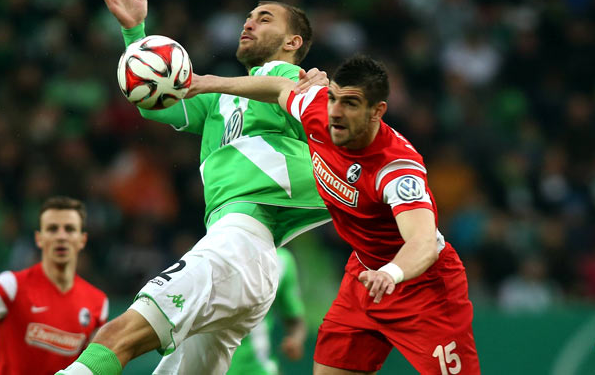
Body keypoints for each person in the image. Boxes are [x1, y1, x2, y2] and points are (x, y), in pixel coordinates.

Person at [59, 0, 330, 374]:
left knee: (117, 336)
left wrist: (317, 88)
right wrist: (135, 33)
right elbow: (155, 100)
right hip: (242, 254)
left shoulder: (289, 77)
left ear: (293, 41)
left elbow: (297, 98)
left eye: (264, 17)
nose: (249, 22)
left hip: (239, 244)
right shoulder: (222, 102)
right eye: (248, 16)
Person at [187, 54, 481, 374]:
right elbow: (279, 88)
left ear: (377, 112)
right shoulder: (320, 114)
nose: (336, 112)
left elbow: (423, 241)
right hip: (364, 277)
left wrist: (391, 274)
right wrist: (208, 84)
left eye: (351, 104)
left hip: (424, 290)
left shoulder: (396, 169)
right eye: (333, 98)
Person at [0, 196, 109, 375]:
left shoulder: (98, 302)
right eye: (52, 229)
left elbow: (94, 367)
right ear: (39, 238)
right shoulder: (11, 285)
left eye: (69, 229)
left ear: (82, 240)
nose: (61, 236)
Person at [227, 247, 307, 375]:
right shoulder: (204, 253)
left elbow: (294, 319)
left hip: (258, 368)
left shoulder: (282, 260)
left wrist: (295, 340)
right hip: (208, 367)